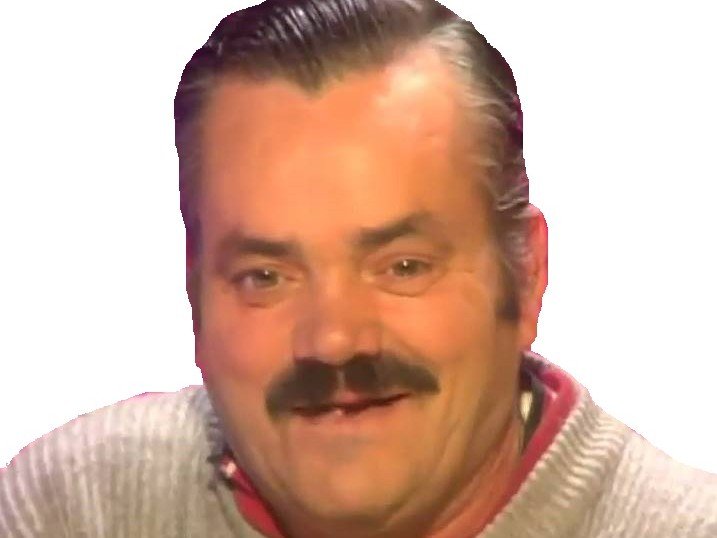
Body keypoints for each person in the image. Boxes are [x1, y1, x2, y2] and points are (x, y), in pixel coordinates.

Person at [1, 1, 716, 537]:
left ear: (525, 275)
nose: (334, 340)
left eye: (402, 267)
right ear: (195, 297)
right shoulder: (77, 508)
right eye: (265, 277)